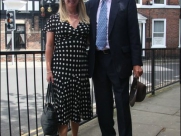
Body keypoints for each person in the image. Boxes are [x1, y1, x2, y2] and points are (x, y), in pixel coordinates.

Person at [86, 0, 143, 135]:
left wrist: (137, 63)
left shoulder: (126, 3)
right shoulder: (90, 5)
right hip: (98, 61)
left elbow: (134, 33)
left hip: (119, 60)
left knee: (122, 104)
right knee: (103, 105)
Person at [44, 0, 93, 135]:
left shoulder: (86, 19)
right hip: (61, 72)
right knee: (62, 112)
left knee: (76, 109)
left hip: (81, 71)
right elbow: (49, 46)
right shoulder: (54, 19)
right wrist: (49, 69)